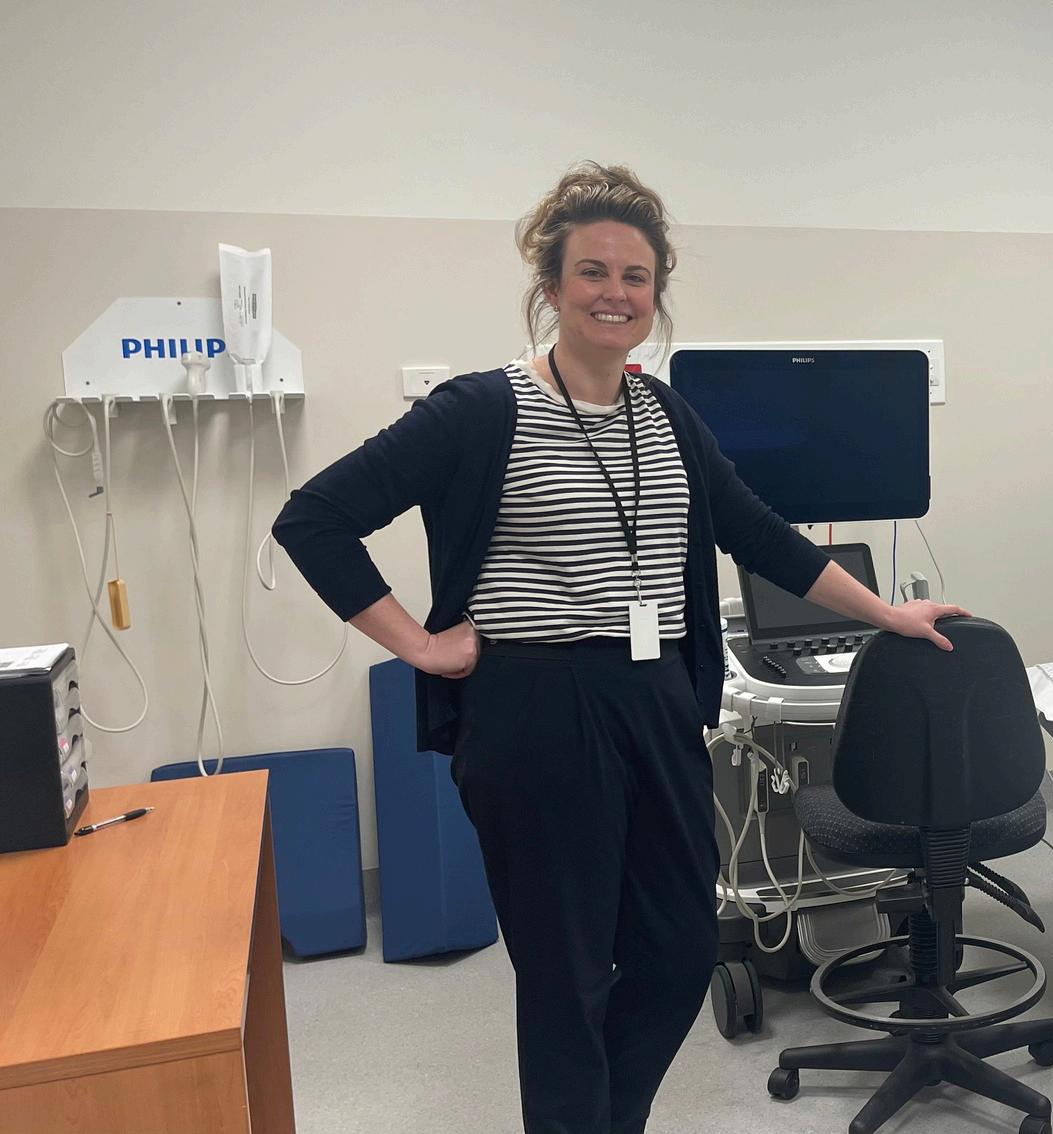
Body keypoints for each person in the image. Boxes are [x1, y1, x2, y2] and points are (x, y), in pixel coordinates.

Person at [273, 161, 967, 1134]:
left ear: (656, 293)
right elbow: (314, 520)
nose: (615, 293)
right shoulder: (482, 410)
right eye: (592, 271)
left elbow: (761, 536)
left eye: (635, 276)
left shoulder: (668, 416)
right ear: (551, 286)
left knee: (680, 948)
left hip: (655, 699)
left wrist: (887, 615)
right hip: (534, 710)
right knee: (565, 976)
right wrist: (418, 645)